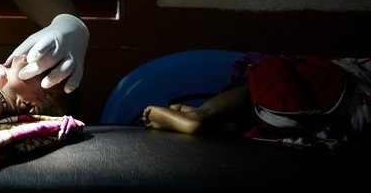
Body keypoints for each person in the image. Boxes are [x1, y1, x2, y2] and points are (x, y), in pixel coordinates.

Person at [141, 53, 371, 148]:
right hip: (322, 123)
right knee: (253, 117)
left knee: (266, 71)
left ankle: (200, 116)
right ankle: (206, 120)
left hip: (326, 93)